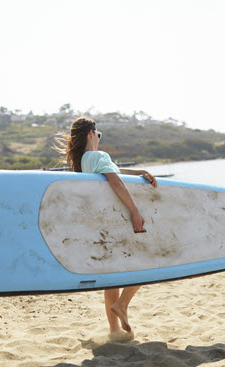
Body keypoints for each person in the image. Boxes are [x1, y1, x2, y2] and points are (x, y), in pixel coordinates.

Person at [55, 116, 158, 337]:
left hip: (99, 227)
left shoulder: (82, 162)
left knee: (111, 279)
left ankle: (114, 332)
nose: (99, 139)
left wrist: (138, 172)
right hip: (117, 222)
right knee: (150, 263)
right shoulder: (98, 156)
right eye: (98, 134)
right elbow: (115, 180)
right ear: (91, 134)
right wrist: (135, 211)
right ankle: (122, 305)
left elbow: (113, 171)